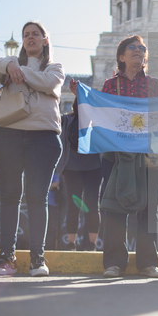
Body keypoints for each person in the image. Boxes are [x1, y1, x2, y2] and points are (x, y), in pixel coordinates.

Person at [70, 35, 158, 278]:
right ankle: (114, 262)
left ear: (145, 57)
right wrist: (81, 98)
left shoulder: (155, 84)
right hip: (116, 153)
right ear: (121, 57)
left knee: (148, 208)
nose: (138, 50)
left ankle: (147, 262)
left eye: (142, 48)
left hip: (146, 151)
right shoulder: (111, 85)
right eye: (132, 47)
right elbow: (98, 115)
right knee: (113, 207)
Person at [0, 21, 64, 276]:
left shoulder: (55, 67)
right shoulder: (8, 64)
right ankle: (7, 257)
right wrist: (8, 65)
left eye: (35, 34)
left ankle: (37, 258)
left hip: (43, 136)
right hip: (8, 134)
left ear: (45, 40)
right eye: (26, 34)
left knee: (37, 198)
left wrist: (22, 72)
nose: (30, 38)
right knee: (9, 196)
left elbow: (50, 83)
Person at [56, 97, 102, 251]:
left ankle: (71, 244)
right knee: (92, 205)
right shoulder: (97, 120)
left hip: (72, 168)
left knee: (73, 206)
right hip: (94, 167)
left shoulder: (66, 120)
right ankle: (91, 245)